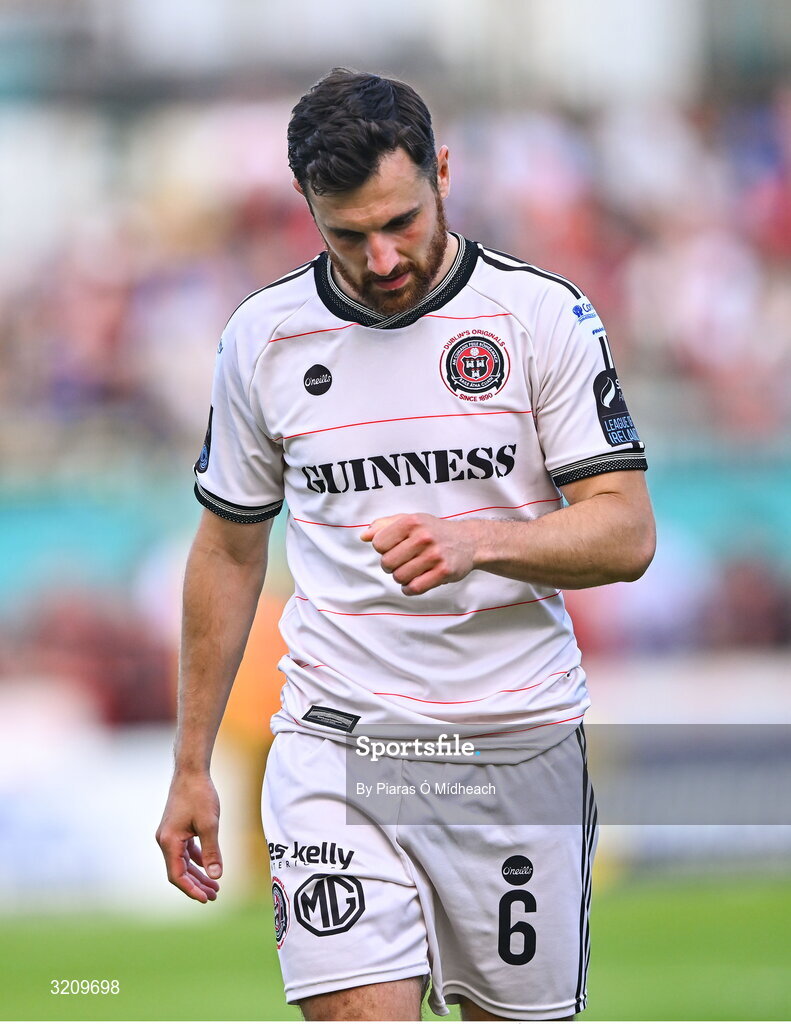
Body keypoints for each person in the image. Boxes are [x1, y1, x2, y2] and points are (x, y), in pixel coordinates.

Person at [156, 69, 655, 1022]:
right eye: (348, 235)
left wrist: (479, 542)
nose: (382, 259)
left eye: (401, 222)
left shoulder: (539, 317)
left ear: (444, 176)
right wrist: (190, 767)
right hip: (339, 745)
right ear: (307, 207)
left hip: (514, 748)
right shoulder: (260, 339)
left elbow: (625, 531)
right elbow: (226, 551)